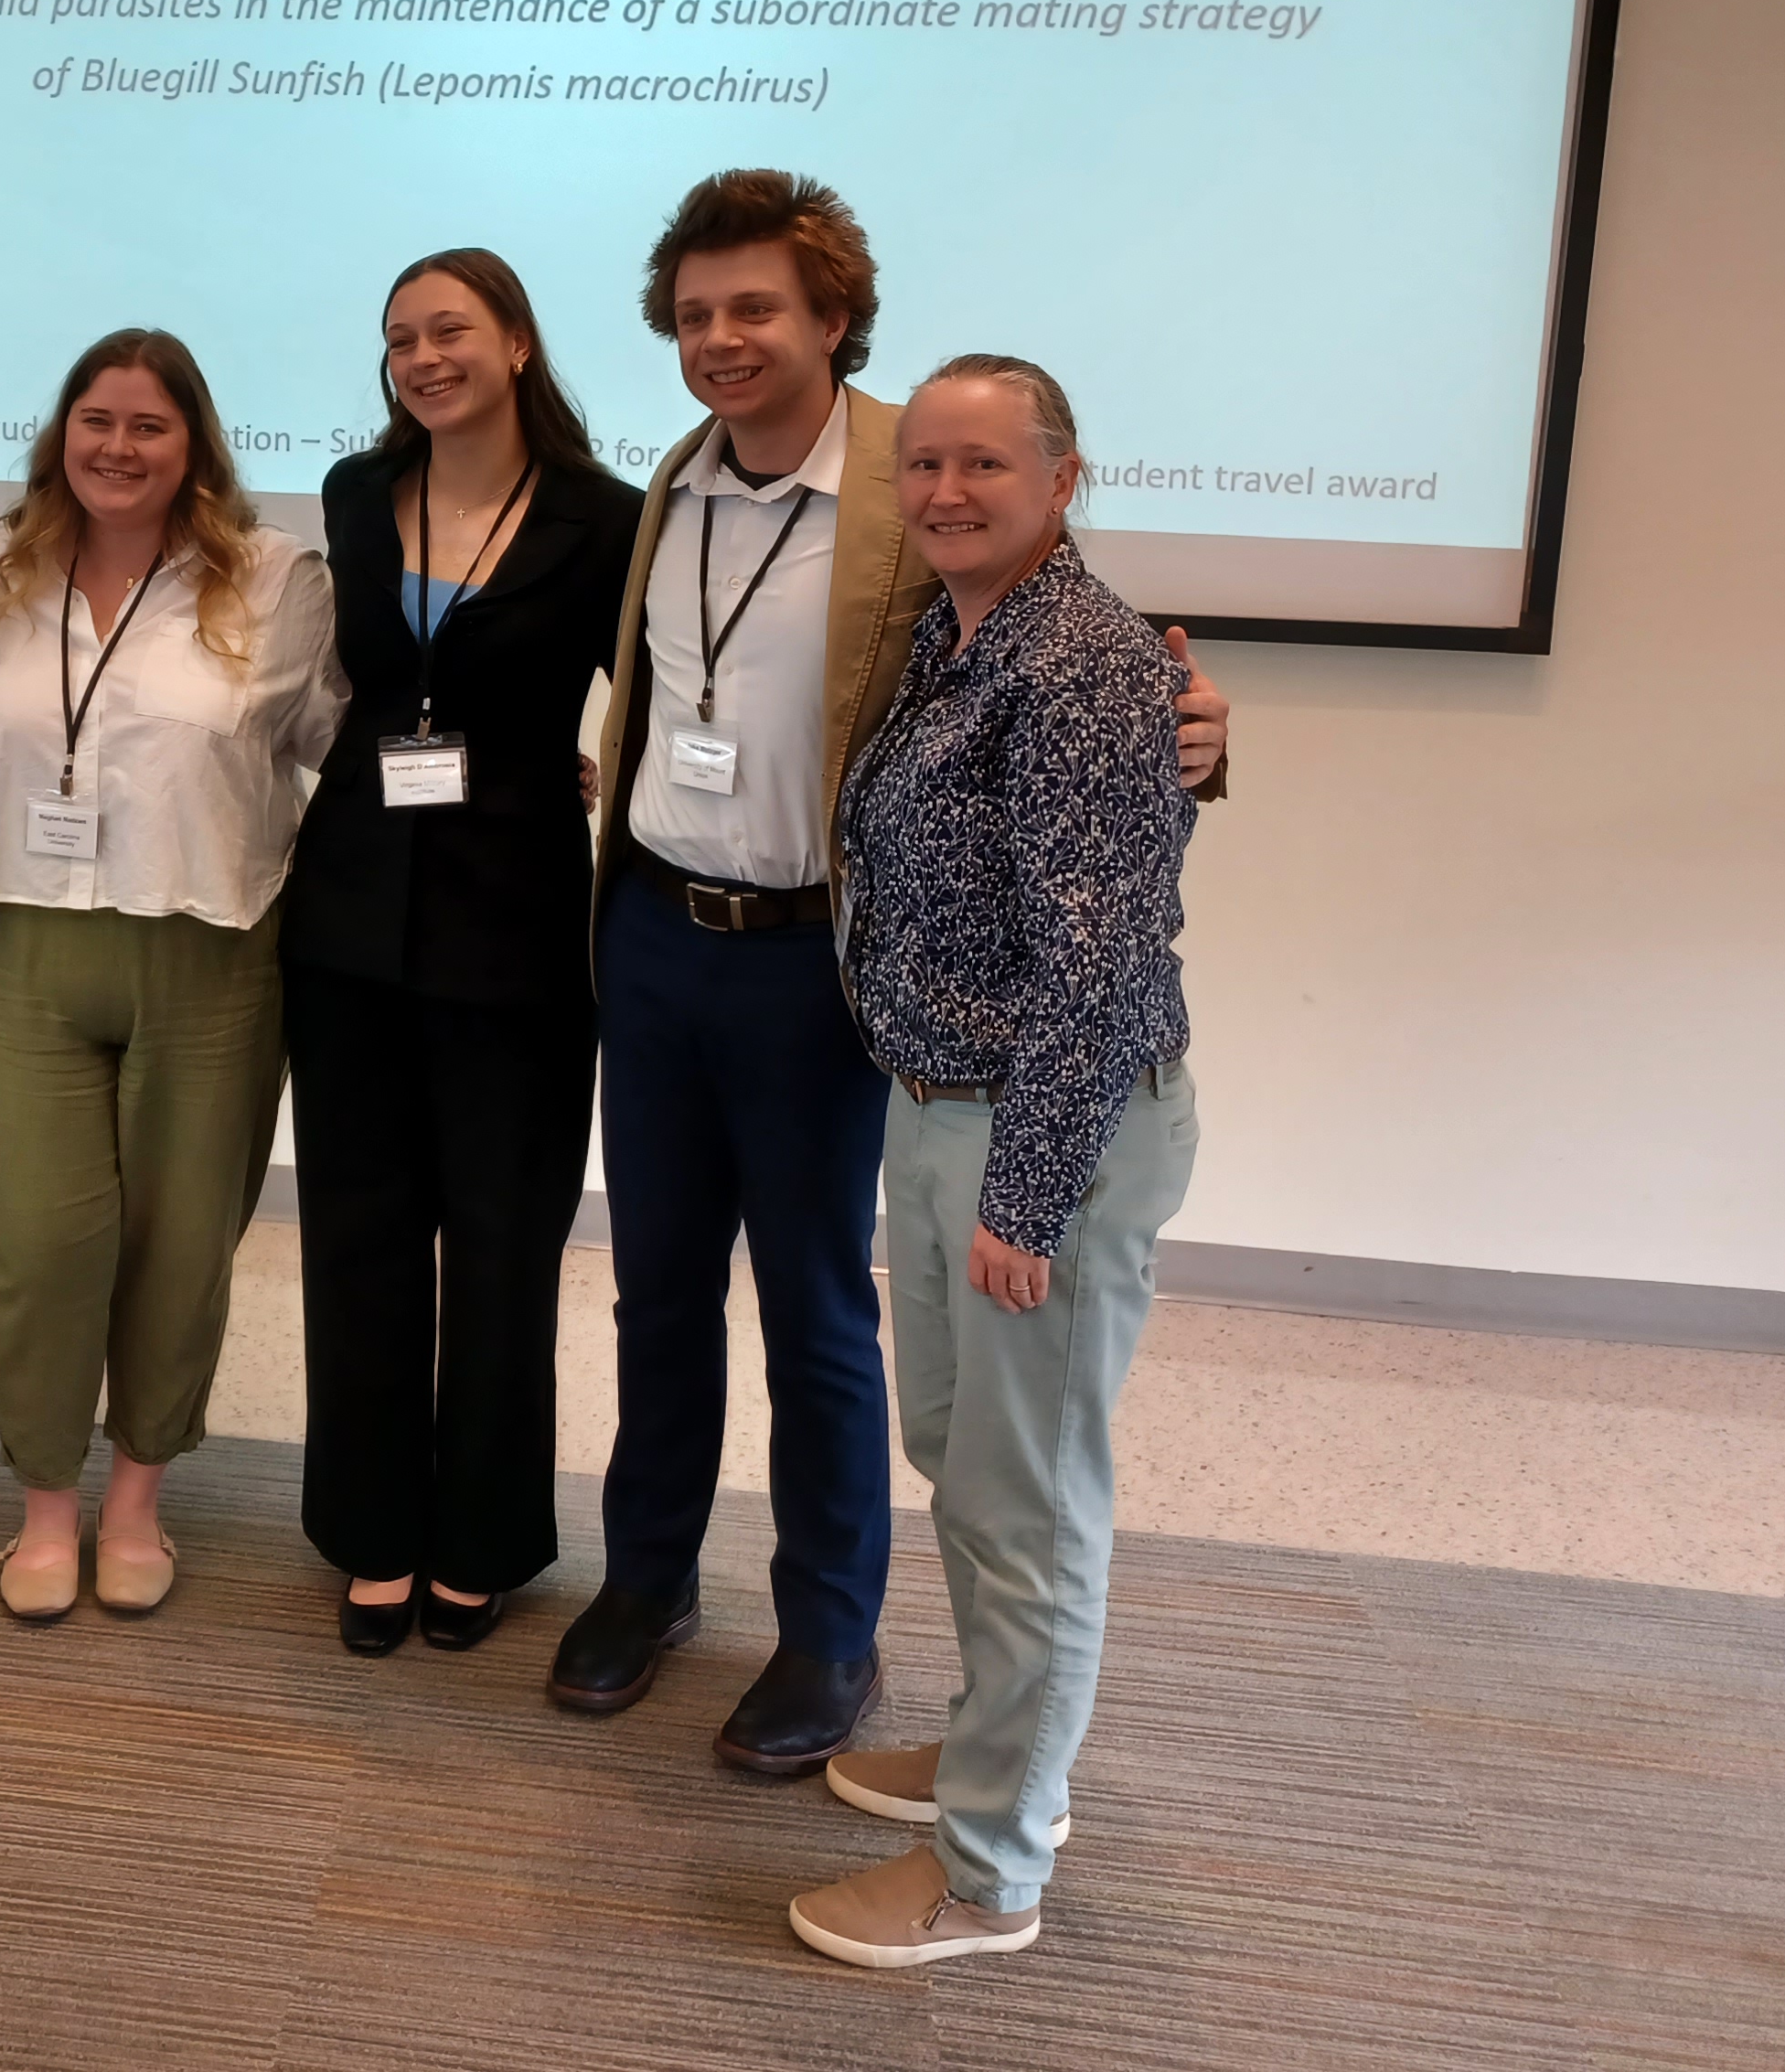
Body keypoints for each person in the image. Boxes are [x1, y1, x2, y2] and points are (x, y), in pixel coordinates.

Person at [550, 171, 1227, 1768]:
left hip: (813, 967)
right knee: (657, 1288)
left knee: (815, 1311)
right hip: (654, 936)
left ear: (834, 316)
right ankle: (647, 1579)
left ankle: (828, 1635)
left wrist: (1198, 732)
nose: (722, 338)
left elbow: (1061, 645)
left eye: (756, 308)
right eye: (695, 313)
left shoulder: (904, 484)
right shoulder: (673, 479)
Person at [786, 355, 1200, 1971]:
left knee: (1027, 1504)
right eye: (924, 464)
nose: (946, 491)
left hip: (1047, 1129)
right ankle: (996, 1761)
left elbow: (1097, 962)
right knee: (964, 1455)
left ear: (1064, 479)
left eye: (986, 465)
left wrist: (1028, 1196)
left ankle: (990, 1875)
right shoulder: (957, 637)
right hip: (939, 1101)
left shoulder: (1084, 662)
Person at [0, 329, 344, 1621]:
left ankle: (139, 1503)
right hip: (27, 946)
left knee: (180, 1245)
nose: (117, 446)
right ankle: (45, 1504)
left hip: (211, 952)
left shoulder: (278, 580)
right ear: (63, 433)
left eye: (149, 425)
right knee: (37, 1244)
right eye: (96, 421)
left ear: (194, 444)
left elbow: (344, 738)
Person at [284, 251, 640, 1655]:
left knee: (502, 1247)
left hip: (519, 927)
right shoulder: (356, 494)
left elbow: (669, 694)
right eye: (400, 340)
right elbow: (354, 688)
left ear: (518, 344)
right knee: (358, 1234)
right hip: (350, 913)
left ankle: (483, 1538)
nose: (423, 358)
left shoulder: (607, 518)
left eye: (449, 331)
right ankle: (372, 1527)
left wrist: (603, 772)